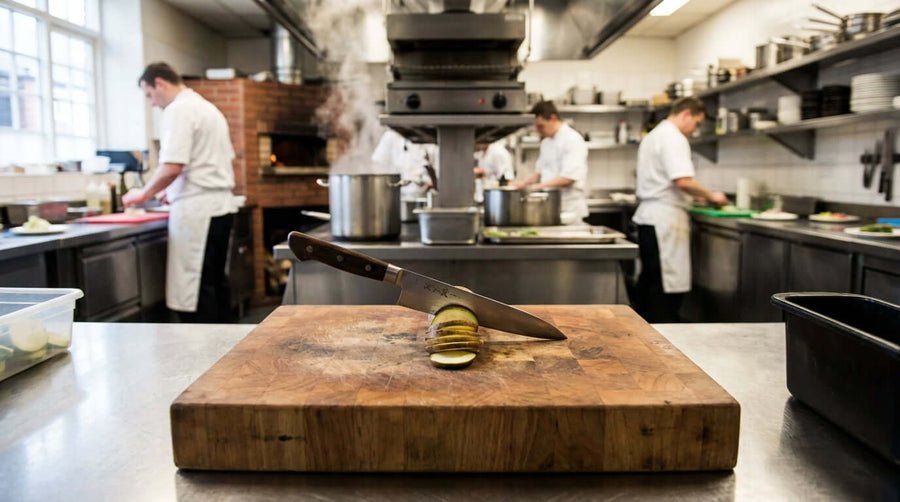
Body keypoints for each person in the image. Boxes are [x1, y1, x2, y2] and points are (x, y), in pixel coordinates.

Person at [123, 62, 236, 323]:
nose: (152, 103)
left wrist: (142, 194)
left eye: (149, 94)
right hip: (219, 207)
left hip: (199, 212)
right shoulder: (208, 108)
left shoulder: (179, 110)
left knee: (197, 289)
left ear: (160, 83)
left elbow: (172, 166)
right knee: (214, 283)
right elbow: (203, 163)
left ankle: (204, 357)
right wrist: (171, 191)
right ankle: (227, 351)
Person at [632, 96, 727, 323]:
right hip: (664, 220)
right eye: (696, 123)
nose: (695, 130)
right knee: (665, 287)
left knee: (650, 282)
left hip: (650, 218)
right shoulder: (673, 137)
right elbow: (682, 181)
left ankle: (643, 337)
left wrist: (696, 198)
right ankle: (662, 341)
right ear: (686, 114)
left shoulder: (654, 135)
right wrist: (711, 196)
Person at [515, 101, 588, 223]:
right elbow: (539, 173)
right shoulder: (546, 142)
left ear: (553, 118)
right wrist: (521, 185)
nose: (538, 131)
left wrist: (536, 188)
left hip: (568, 210)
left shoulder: (572, 140)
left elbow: (568, 178)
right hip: (549, 206)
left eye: (541, 126)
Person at [371, 129, 437, 200]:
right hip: (397, 198)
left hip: (425, 199)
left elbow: (439, 172)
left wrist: (432, 183)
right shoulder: (391, 136)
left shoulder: (431, 137)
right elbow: (377, 165)